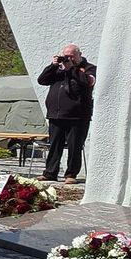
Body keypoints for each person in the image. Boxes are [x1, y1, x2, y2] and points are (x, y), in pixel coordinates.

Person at [37, 44, 97, 184]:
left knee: (74, 146)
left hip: (78, 116)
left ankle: (71, 174)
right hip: (56, 114)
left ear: (79, 55)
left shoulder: (89, 68)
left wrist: (72, 69)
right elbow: (42, 80)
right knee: (54, 145)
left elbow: (87, 82)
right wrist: (53, 66)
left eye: (71, 56)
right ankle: (50, 173)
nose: (68, 58)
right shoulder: (59, 69)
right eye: (66, 55)